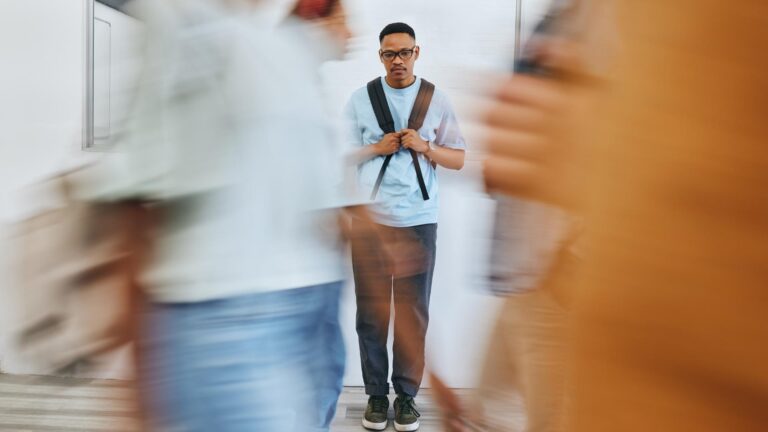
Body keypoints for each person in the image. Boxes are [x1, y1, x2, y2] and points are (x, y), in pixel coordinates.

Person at [70, 0, 355, 430]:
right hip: (222, 317)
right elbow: (138, 196)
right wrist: (141, 381)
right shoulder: (182, 16)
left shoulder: (286, 38)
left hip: (302, 305)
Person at [344, 21, 466, 432]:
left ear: (417, 52)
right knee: (372, 314)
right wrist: (375, 148)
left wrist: (426, 147)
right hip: (372, 222)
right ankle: (377, 397)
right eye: (388, 53)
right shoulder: (361, 99)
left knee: (413, 315)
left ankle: (407, 399)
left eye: (404, 52)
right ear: (379, 56)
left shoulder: (437, 99)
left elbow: (459, 158)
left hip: (419, 221)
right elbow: (339, 157)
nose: (397, 60)